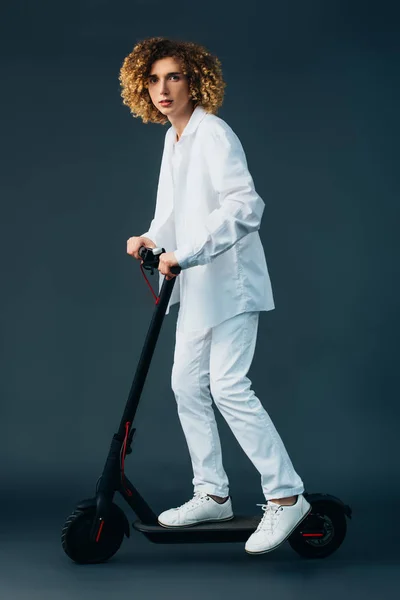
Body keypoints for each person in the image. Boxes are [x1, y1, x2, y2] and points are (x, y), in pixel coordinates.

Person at [121, 37, 311, 554]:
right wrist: (151, 238)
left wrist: (191, 252)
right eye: (155, 79)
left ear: (195, 81)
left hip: (230, 282)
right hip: (195, 285)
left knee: (228, 386)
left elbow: (246, 206)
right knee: (186, 385)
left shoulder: (214, 134)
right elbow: (171, 215)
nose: (163, 89)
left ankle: (288, 498)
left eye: (174, 77)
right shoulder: (175, 139)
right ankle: (212, 493)